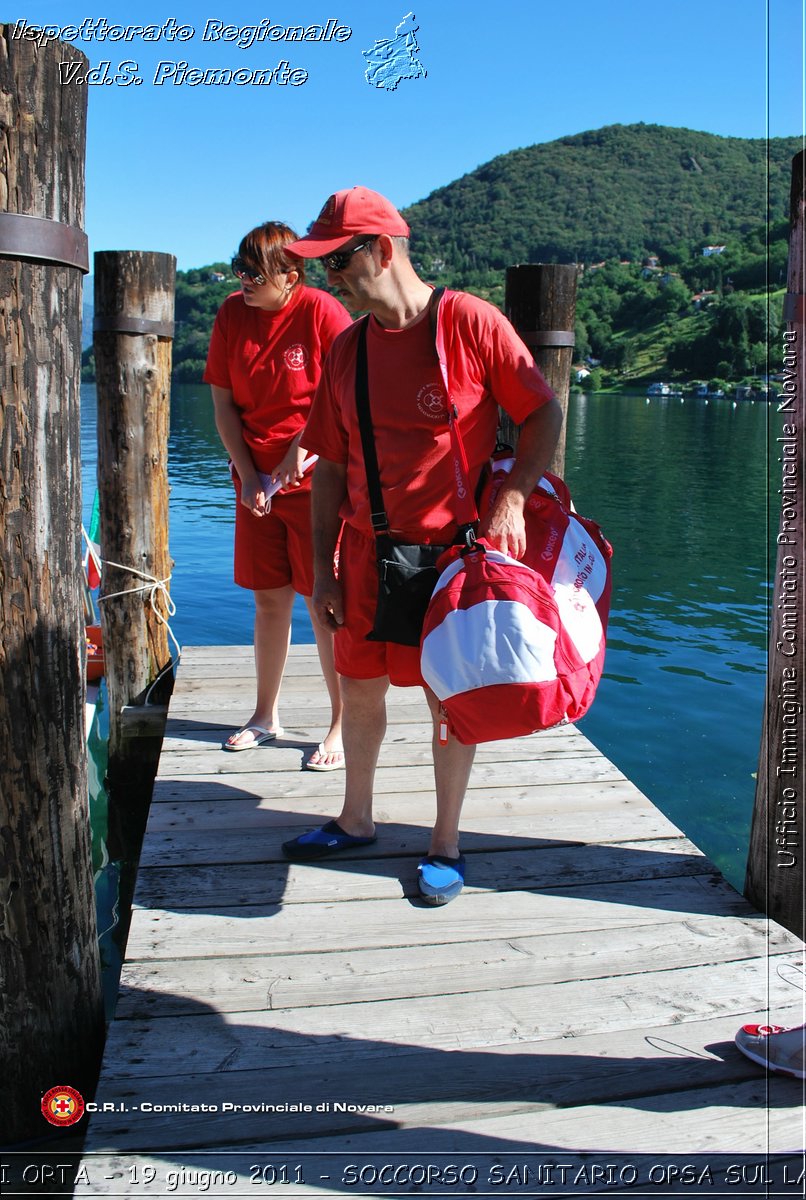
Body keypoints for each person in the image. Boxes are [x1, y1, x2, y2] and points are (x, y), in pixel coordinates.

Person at [279, 187, 563, 902]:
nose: (330, 278)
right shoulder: (347, 349)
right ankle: (356, 818)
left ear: (382, 249)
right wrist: (322, 573)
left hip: (450, 564)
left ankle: (445, 843)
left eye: (338, 261)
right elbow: (330, 471)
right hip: (366, 559)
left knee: (449, 703)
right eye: (322, 265)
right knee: (360, 691)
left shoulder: (468, 322)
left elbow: (542, 413)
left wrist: (513, 496)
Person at [204, 221, 352, 767]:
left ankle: (340, 723)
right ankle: (265, 715)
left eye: (254, 273)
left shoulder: (320, 311)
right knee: (269, 599)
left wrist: (298, 453)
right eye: (238, 269)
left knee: (323, 603)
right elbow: (223, 405)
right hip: (256, 484)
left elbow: (341, 391)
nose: (242, 280)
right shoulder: (229, 314)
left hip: (316, 484)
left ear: (291, 276)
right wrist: (246, 475)